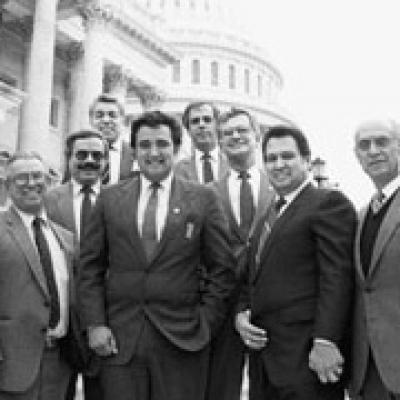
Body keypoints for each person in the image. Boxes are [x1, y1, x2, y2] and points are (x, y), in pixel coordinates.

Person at [78, 110, 236, 400]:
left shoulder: (203, 199)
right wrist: (95, 324)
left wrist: (205, 322)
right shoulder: (110, 198)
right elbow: (90, 268)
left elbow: (222, 269)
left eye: (162, 144)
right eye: (145, 145)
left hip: (183, 340)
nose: (154, 153)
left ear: (176, 148)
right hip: (119, 341)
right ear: (134, 150)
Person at [235, 126, 356, 400]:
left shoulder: (328, 203)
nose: (278, 165)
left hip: (307, 360)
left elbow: (336, 277)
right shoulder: (269, 213)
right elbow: (254, 275)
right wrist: (242, 313)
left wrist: (326, 340)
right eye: (271, 158)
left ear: (306, 161)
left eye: (287, 156)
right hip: (264, 360)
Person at [207, 109, 274, 400]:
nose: (235, 136)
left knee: (270, 385)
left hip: (271, 301)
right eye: (227, 133)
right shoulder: (206, 193)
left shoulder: (280, 188)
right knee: (221, 387)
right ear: (219, 143)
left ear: (257, 136)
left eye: (242, 130)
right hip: (223, 305)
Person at [0, 152, 76, 399]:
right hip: (10, 365)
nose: (31, 183)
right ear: (7, 185)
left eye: (38, 176)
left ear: (50, 182)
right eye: (22, 177)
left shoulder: (66, 238)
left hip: (60, 364)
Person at [45, 129, 107, 400]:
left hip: (106, 318)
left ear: (106, 161)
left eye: (97, 155)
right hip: (60, 321)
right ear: (68, 158)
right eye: (81, 155)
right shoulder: (47, 200)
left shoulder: (120, 199)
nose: (89, 161)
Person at [351, 119, 400, 400]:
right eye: (364, 145)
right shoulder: (360, 215)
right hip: (369, 371)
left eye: (382, 142)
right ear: (357, 156)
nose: (373, 151)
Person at [175, 101, 229, 183]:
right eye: (195, 121)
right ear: (188, 130)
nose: (201, 125)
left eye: (207, 120)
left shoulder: (233, 164)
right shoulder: (178, 170)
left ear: (218, 126)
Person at [89, 94, 137, 183]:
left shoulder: (135, 153)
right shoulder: (77, 153)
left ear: (122, 120)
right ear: (91, 120)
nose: (106, 120)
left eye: (112, 115)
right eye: (99, 115)